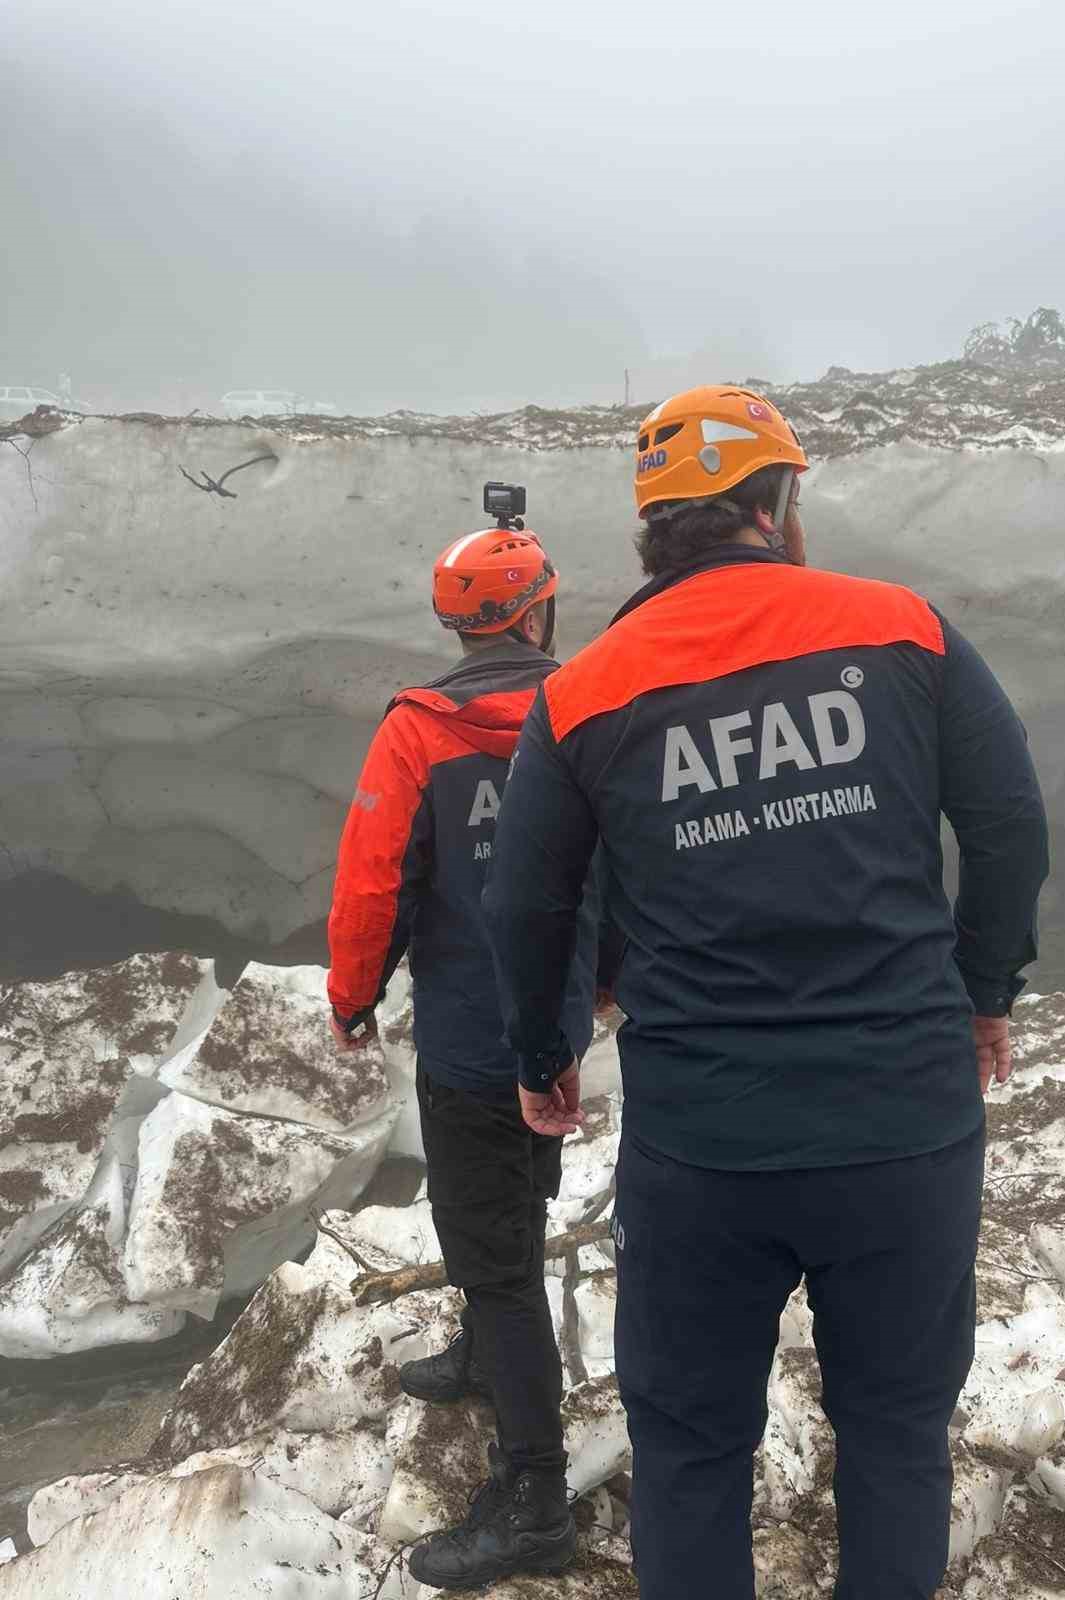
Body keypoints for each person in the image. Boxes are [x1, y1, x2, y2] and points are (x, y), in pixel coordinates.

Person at [482, 384, 1050, 1600]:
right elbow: (1008, 825)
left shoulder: (584, 691)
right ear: (775, 500)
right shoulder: (903, 629)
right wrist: (983, 991)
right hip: (904, 1124)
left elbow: (526, 905)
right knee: (896, 1434)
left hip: (705, 1148)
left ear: (654, 528)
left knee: (691, 1449)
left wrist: (541, 1054)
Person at [326, 519, 597, 1590]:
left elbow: (374, 879)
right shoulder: (589, 708)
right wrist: (606, 982)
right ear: (537, 611)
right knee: (512, 1207)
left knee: (492, 1251)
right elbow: (629, 857)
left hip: (471, 1038)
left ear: (460, 624)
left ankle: (535, 1497)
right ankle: (486, 1353)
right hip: (557, 1028)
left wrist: (354, 995)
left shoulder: (420, 733)